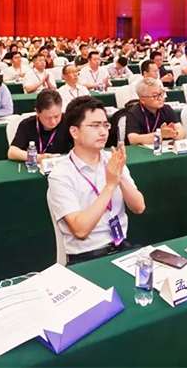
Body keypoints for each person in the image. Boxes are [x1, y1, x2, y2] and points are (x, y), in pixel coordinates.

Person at [47, 96, 146, 265]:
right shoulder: (61, 174)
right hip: (86, 257)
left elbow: (139, 207)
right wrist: (110, 185)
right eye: (94, 126)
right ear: (74, 132)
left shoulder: (113, 160)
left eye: (105, 125)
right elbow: (80, 230)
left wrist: (120, 176)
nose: (103, 132)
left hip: (121, 247)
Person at [9, 89, 70, 162]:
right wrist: (38, 158)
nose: (53, 121)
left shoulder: (68, 122)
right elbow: (12, 153)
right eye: (48, 118)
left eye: (57, 116)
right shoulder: (27, 125)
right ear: (37, 112)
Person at [125, 77, 186, 144]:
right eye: (155, 96)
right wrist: (160, 134)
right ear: (142, 99)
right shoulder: (133, 113)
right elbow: (133, 139)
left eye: (161, 94)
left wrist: (174, 134)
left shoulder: (166, 109)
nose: (160, 98)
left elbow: (182, 131)